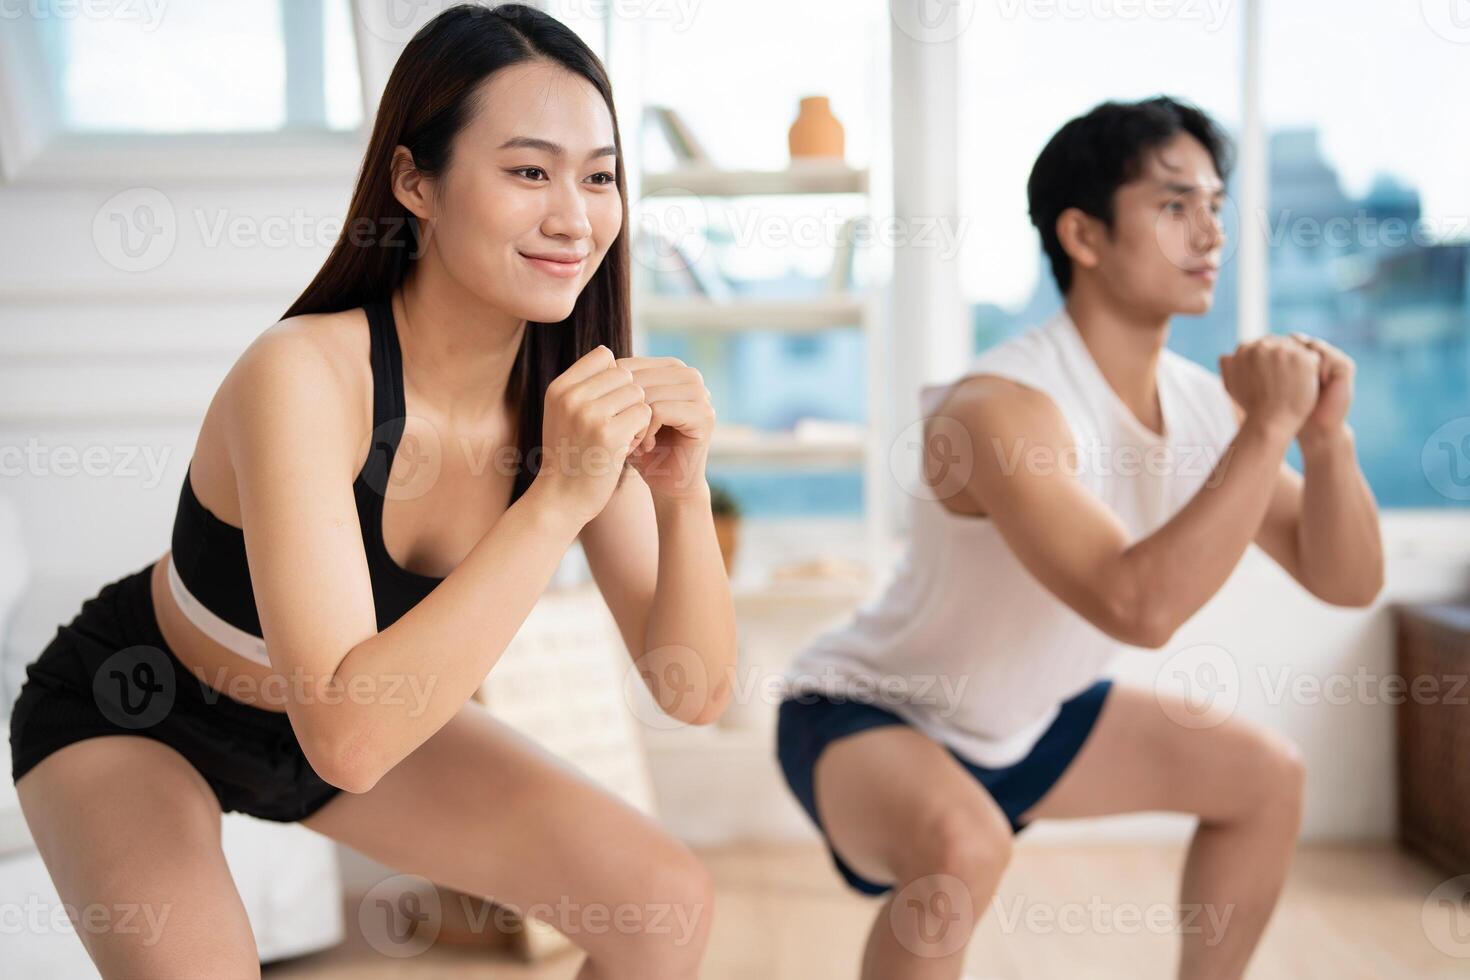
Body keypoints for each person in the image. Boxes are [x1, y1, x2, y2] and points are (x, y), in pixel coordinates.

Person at [8, 6, 735, 978]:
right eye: (529, 171)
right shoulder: (303, 374)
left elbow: (692, 691)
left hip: (351, 721)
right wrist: (557, 498)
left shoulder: (568, 403)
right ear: (413, 181)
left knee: (664, 905)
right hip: (141, 707)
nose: (575, 215)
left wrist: (680, 498)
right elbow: (348, 737)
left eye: (599, 174)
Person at [776, 96, 1384, 980]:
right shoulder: (1000, 407)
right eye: (1175, 206)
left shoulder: (1205, 408)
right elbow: (1138, 604)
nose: (1210, 234)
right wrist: (1265, 430)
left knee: (1267, 779)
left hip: (1029, 719)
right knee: (963, 846)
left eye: (1216, 206)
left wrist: (1325, 440)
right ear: (1084, 236)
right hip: (872, 710)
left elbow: (1347, 580)